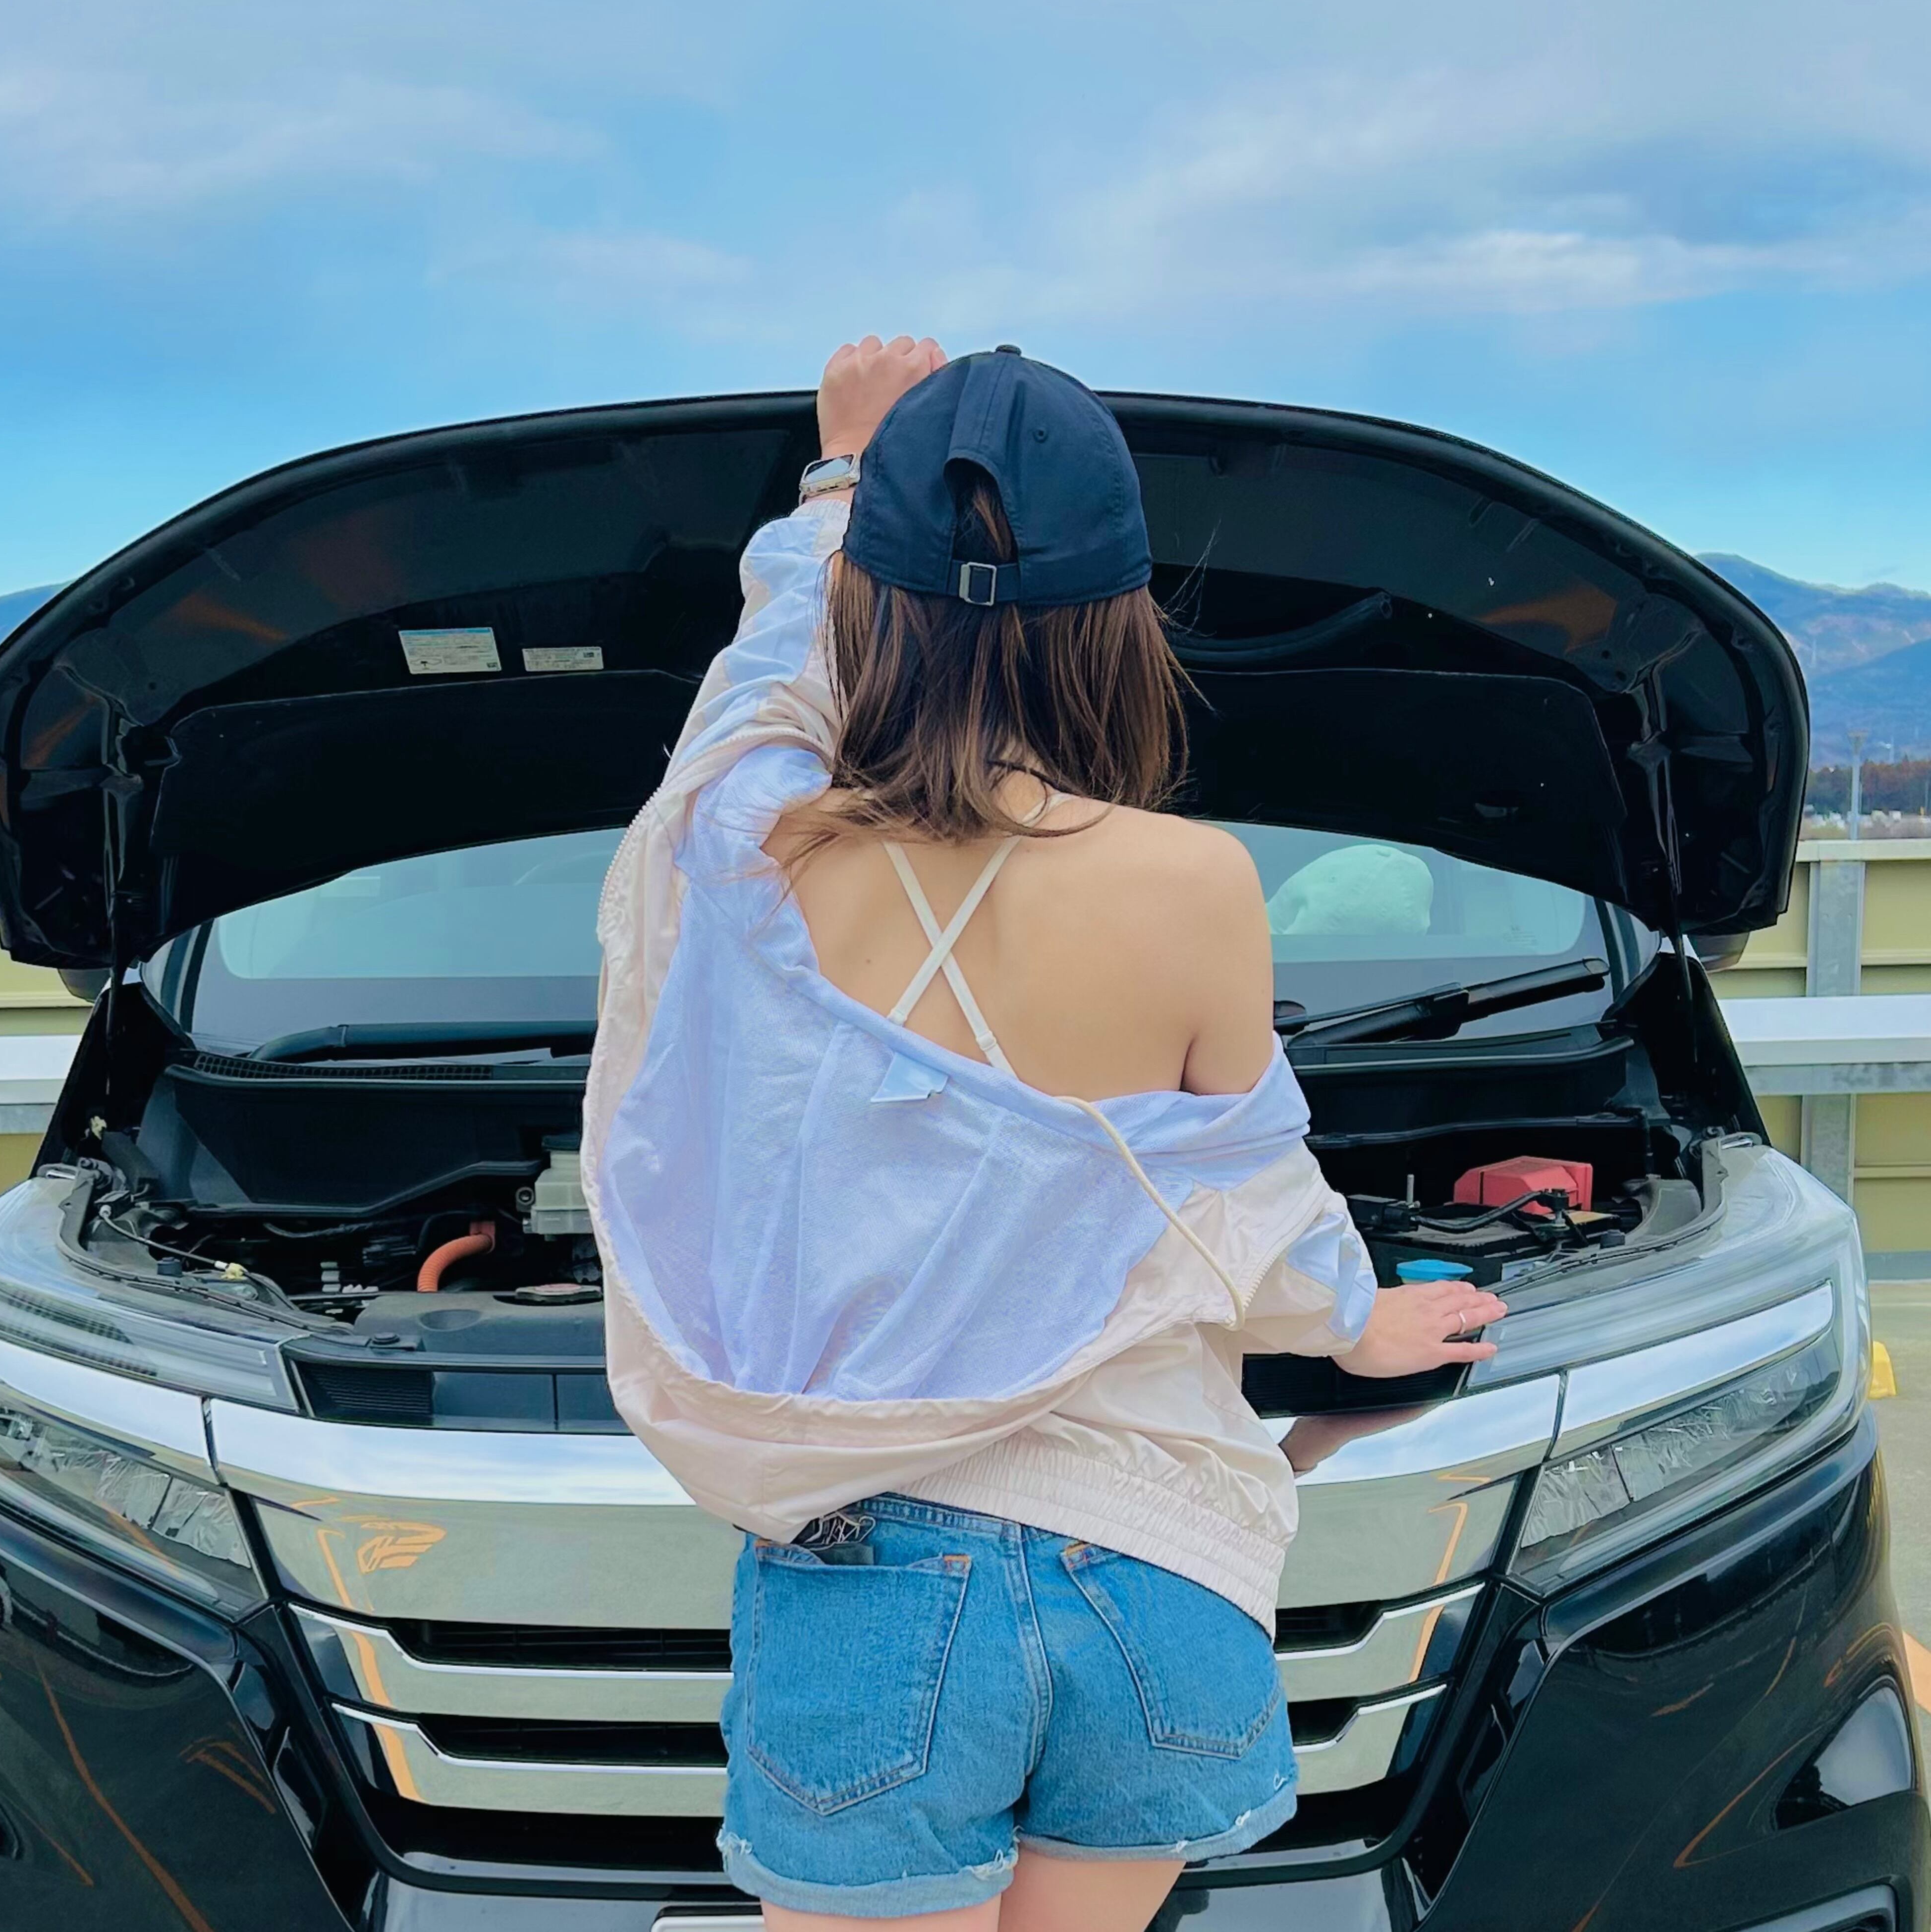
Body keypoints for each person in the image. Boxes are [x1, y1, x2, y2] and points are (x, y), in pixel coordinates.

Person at [580, 335, 1508, 1932]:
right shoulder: (1198, 884)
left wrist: (838, 488)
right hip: (1159, 1572)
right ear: (1124, 628)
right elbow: (1256, 1209)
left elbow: (755, 698)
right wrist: (1364, 1332)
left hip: (875, 1597)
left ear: (868, 607)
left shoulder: (746, 854)